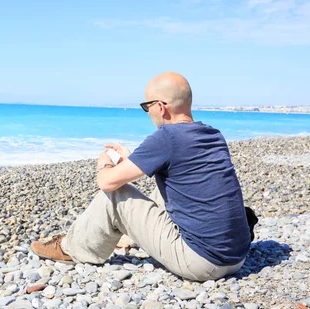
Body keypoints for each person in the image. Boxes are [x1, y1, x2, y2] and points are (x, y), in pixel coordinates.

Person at [31, 72, 251, 281]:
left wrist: (104, 164)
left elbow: (107, 182)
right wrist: (132, 159)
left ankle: (72, 249)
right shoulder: (212, 134)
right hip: (236, 255)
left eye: (147, 107)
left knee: (115, 194)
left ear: (160, 107)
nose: (148, 113)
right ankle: (125, 237)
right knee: (163, 186)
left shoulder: (167, 137)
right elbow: (178, 168)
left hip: (202, 263)